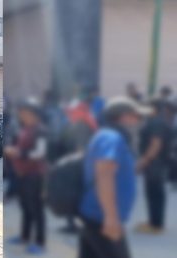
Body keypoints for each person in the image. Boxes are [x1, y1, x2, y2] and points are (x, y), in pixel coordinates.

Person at [79, 97, 148, 258]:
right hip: (101, 219)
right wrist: (111, 218)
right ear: (123, 116)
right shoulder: (111, 137)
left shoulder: (110, 136)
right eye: (136, 116)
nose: (138, 121)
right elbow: (104, 174)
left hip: (96, 217)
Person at [5, 103, 47, 254]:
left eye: (25, 113)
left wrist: (18, 153)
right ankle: (24, 236)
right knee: (25, 207)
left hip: (35, 176)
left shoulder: (40, 131)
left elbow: (40, 153)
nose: (22, 116)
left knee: (36, 209)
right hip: (22, 175)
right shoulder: (25, 129)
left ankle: (40, 242)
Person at [134, 99, 172, 234]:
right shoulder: (158, 121)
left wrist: (142, 162)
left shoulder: (156, 122)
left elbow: (155, 145)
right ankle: (154, 221)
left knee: (154, 193)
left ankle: (156, 224)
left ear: (153, 109)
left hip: (155, 163)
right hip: (156, 163)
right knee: (153, 193)